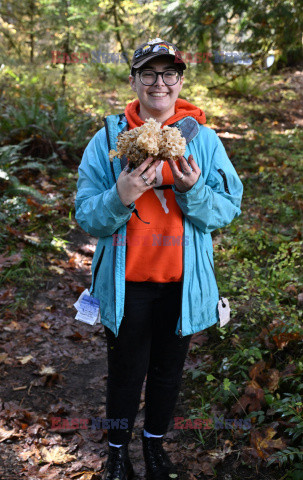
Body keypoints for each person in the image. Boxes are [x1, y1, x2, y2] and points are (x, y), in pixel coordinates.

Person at [75, 38, 243, 480]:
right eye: (148, 73)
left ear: (180, 81)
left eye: (169, 74)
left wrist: (193, 192)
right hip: (126, 282)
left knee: (168, 373)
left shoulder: (202, 140)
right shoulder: (108, 139)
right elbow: (87, 215)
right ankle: (115, 453)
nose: (159, 83)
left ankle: (154, 448)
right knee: (125, 374)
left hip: (183, 283)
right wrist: (119, 196)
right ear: (133, 81)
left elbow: (228, 207)